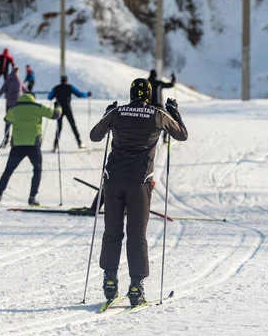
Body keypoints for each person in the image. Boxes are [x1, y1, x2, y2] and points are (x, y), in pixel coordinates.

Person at [89, 78, 188, 306]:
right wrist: (174, 111)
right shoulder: (156, 114)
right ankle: (136, 286)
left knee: (112, 232)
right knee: (136, 234)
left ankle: (110, 280)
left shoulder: (118, 112)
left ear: (132, 93)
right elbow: (181, 134)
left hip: (113, 181)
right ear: (149, 95)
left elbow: (95, 136)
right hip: (140, 182)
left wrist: (108, 114)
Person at [0, 94, 62, 206]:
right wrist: (58, 106)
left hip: (17, 145)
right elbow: (56, 115)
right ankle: (32, 197)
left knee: (8, 171)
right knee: (37, 169)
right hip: (33, 145)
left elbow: (7, 119)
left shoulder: (15, 108)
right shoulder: (38, 107)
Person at [47, 75, 91, 151]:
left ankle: (55, 146)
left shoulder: (56, 88)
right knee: (73, 126)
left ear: (60, 81)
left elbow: (49, 97)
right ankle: (80, 143)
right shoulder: (70, 87)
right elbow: (79, 94)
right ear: (66, 80)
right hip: (67, 109)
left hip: (59, 109)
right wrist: (87, 94)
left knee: (59, 128)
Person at [0, 66, 30, 147]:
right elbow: (26, 90)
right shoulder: (19, 80)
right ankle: (15, 139)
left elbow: (2, 89)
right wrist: (31, 95)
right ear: (17, 72)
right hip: (18, 104)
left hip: (9, 104)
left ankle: (6, 139)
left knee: (8, 120)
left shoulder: (8, 80)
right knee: (17, 121)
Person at [148, 69, 176, 143]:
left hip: (148, 107)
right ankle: (164, 139)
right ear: (156, 75)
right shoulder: (158, 83)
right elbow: (171, 85)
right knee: (166, 121)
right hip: (159, 106)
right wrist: (173, 78)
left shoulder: (146, 83)